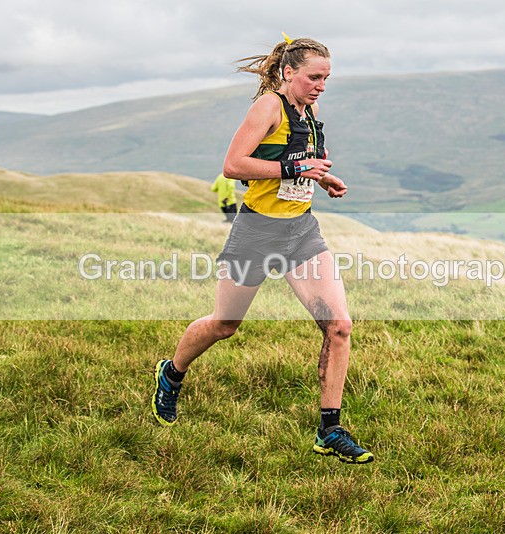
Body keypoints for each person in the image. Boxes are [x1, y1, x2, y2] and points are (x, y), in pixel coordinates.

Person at [152, 34, 373, 464]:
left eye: (326, 78)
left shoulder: (309, 112)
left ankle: (329, 430)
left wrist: (322, 179)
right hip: (256, 233)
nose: (321, 85)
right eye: (314, 77)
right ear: (289, 72)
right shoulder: (268, 107)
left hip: (301, 233)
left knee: (339, 325)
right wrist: (294, 167)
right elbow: (233, 166)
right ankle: (172, 374)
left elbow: (299, 161)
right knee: (224, 324)